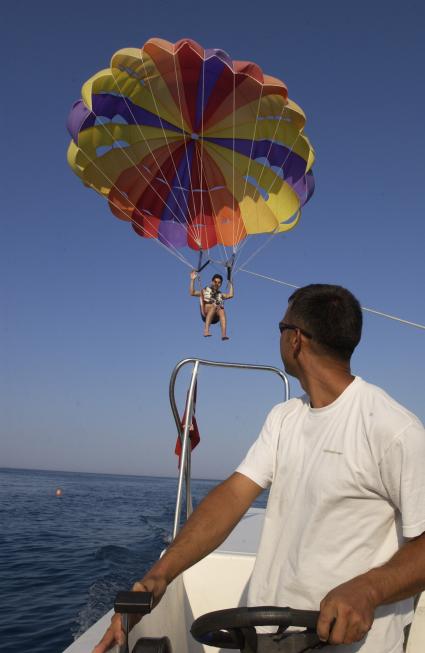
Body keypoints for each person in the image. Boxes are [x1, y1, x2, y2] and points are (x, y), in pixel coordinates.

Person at [93, 284, 425, 653]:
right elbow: (235, 495)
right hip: (264, 635)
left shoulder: (393, 429)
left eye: (280, 328)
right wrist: (159, 575)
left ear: (295, 340)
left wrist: (369, 589)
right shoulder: (284, 418)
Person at [189, 270, 234, 339]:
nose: (217, 284)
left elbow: (230, 295)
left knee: (222, 309)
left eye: (219, 283)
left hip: (215, 318)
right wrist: (192, 280)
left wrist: (231, 283)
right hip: (206, 314)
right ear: (212, 282)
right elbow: (192, 293)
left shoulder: (220, 294)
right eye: (215, 282)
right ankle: (206, 330)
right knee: (214, 306)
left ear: (221, 284)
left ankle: (224, 334)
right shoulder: (204, 291)